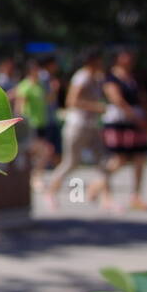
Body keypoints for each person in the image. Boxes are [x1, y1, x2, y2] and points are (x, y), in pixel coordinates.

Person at [46, 49, 110, 209]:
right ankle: (51, 192)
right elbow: (71, 101)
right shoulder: (82, 77)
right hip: (77, 125)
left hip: (91, 125)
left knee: (103, 162)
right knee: (71, 162)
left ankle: (104, 197)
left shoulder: (96, 78)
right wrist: (96, 107)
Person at [101, 48, 147, 211]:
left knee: (139, 158)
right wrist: (136, 117)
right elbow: (117, 100)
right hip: (119, 121)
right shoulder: (111, 78)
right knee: (119, 159)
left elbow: (143, 98)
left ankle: (136, 195)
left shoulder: (134, 77)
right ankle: (102, 186)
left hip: (137, 121)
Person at [12, 60, 53, 188]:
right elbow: (20, 106)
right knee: (45, 151)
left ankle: (34, 176)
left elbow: (46, 101)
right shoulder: (25, 86)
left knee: (38, 153)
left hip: (41, 123)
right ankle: (35, 177)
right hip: (31, 125)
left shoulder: (40, 85)